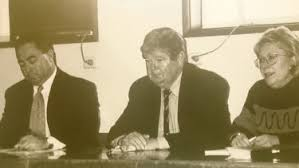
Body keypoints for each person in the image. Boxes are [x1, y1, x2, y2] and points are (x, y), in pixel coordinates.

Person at [107, 27, 231, 153]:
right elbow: (115, 133)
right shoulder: (141, 89)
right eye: (148, 61)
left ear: (180, 58)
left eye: (159, 60)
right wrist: (123, 139)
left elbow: (218, 134)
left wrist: (159, 142)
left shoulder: (209, 84)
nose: (153, 68)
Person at [0, 34, 100, 152]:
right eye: (22, 64)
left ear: (50, 55)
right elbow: (5, 136)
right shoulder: (15, 93)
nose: (27, 69)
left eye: (32, 61)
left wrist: (46, 143)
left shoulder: (81, 90)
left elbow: (88, 136)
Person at [231, 26, 299, 148]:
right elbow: (239, 126)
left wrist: (278, 140)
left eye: (272, 57)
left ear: (293, 60)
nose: (265, 66)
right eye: (261, 60)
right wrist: (238, 136)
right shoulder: (258, 91)